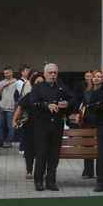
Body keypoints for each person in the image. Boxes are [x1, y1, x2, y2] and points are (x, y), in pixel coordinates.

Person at [29, 63, 69, 192]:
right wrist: (47, 106)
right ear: (45, 74)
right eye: (50, 73)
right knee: (41, 154)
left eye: (55, 73)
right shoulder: (38, 87)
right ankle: (38, 181)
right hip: (42, 125)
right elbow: (33, 102)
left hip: (57, 125)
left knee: (54, 155)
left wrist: (66, 104)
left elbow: (73, 100)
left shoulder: (61, 87)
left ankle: (51, 181)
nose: (53, 75)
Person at [74, 70, 99, 179]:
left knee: (100, 147)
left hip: (100, 122)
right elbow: (84, 104)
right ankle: (88, 170)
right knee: (87, 145)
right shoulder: (88, 91)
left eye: (98, 76)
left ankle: (100, 171)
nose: (95, 78)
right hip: (87, 121)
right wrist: (79, 114)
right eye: (94, 77)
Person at [12, 90, 35, 179]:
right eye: (37, 82)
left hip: (42, 126)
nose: (39, 84)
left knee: (42, 150)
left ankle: (41, 171)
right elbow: (20, 108)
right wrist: (14, 119)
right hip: (29, 126)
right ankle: (29, 170)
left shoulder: (47, 94)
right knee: (29, 150)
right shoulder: (29, 95)